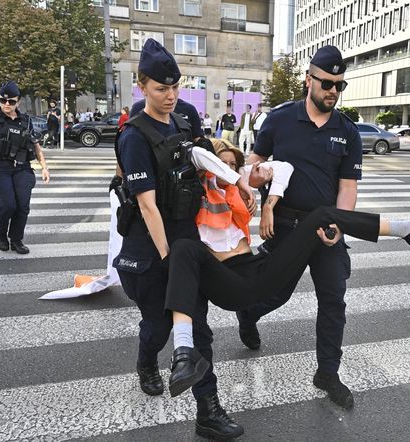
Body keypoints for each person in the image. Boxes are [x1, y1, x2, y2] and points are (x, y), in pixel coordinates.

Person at [164, 140, 410, 405]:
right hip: (227, 281)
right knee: (183, 248)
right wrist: (236, 178)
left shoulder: (240, 181)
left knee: (322, 215)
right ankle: (184, 354)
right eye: (222, 163)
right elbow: (196, 155)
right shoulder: (201, 184)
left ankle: (409, 229)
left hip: (256, 271)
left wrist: (269, 201)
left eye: (234, 163)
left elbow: (284, 168)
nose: (229, 168)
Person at [112, 39, 251, 440]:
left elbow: (208, 162)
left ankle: (208, 411)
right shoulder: (135, 135)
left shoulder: (181, 123)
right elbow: (149, 207)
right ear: (142, 86)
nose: (171, 96)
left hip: (186, 242)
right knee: (157, 325)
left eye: (175, 87)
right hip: (152, 246)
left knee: (199, 330)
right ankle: (145, 361)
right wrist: (169, 258)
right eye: (161, 88)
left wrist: (239, 183)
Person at [235, 45, 368, 409]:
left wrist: (340, 226)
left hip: (327, 228)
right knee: (276, 292)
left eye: (340, 85)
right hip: (288, 224)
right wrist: (256, 180)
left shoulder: (348, 131)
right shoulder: (279, 120)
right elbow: (254, 163)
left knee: (333, 301)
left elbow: (347, 187)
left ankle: (327, 372)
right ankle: (248, 313)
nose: (333, 91)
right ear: (308, 80)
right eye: (326, 83)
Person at [0, 81, 51, 254]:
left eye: (11, 101)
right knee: (8, 205)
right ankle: (0, 234)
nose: (6, 104)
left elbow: (35, 145)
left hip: (22, 168)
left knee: (22, 206)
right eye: (2, 100)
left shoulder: (26, 121)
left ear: (18, 102)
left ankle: (16, 240)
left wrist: (44, 166)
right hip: (0, 168)